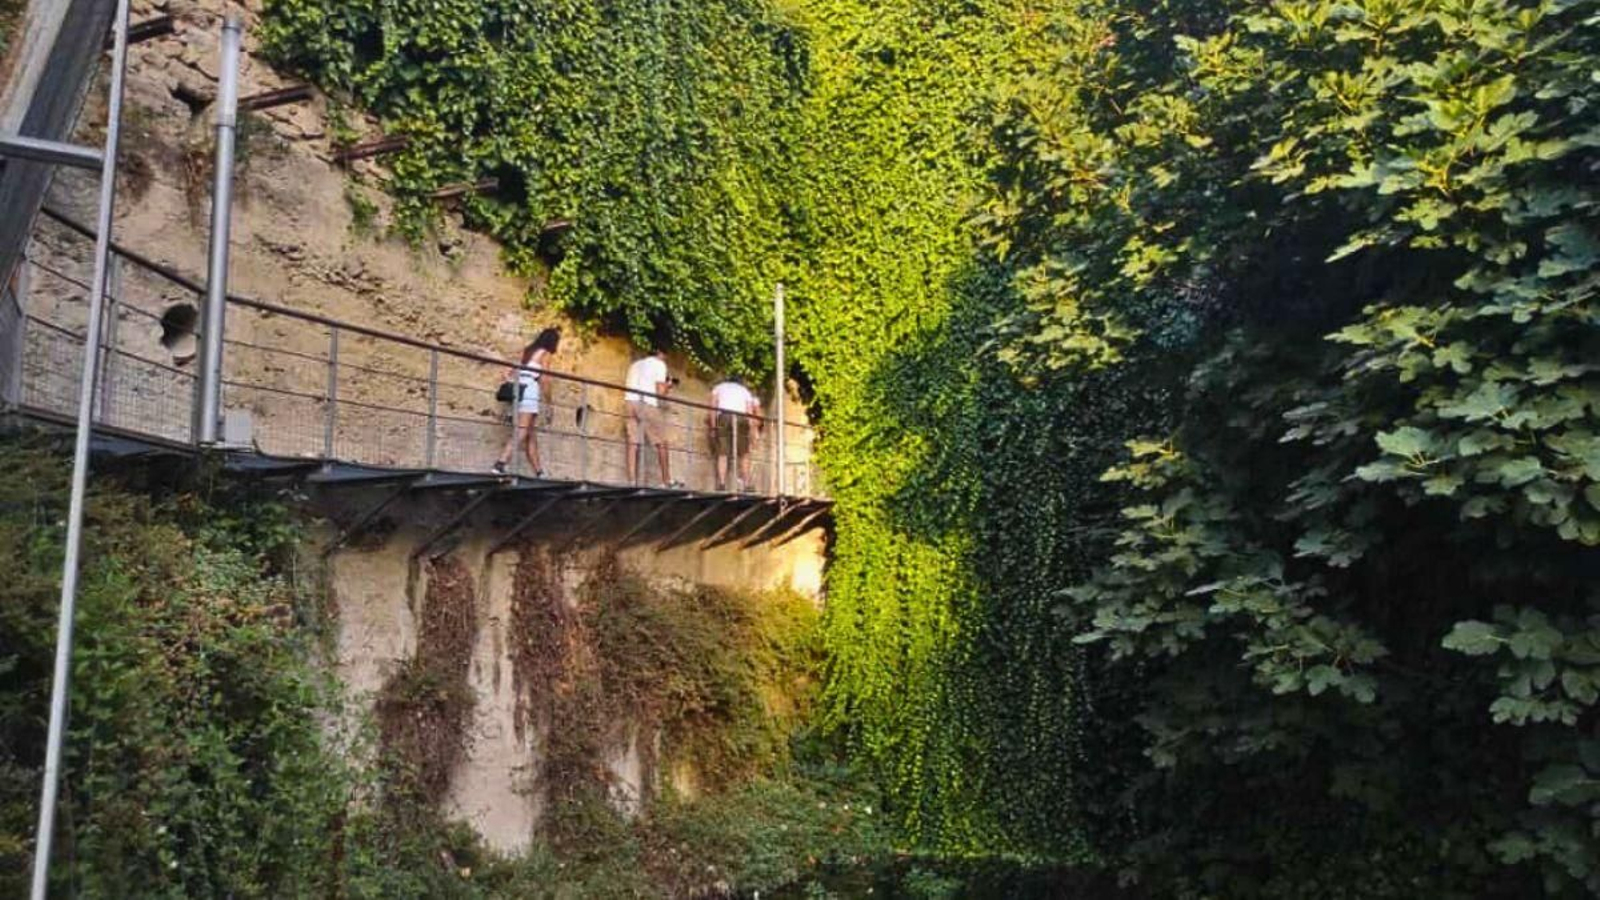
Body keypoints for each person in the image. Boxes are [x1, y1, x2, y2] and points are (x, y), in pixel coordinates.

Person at [494, 327, 560, 476]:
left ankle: (539, 473)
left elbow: (506, 372)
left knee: (531, 435)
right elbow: (545, 379)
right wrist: (549, 402)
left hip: (520, 390)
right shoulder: (545, 353)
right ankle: (500, 463)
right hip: (530, 390)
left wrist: (512, 381)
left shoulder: (527, 351)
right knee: (522, 431)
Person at [623, 346, 682, 487]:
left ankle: (632, 481)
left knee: (633, 442)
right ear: (661, 352)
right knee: (662, 442)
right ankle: (666, 481)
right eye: (665, 354)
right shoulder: (659, 364)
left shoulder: (635, 364)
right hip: (646, 403)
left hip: (629, 402)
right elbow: (660, 392)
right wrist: (668, 386)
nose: (665, 357)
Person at [708, 375, 762, 492]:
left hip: (724, 416)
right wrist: (752, 430)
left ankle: (721, 483)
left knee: (722, 452)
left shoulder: (718, 387)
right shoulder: (745, 391)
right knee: (744, 453)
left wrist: (713, 427)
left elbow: (713, 409)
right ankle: (746, 484)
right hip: (741, 418)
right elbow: (749, 412)